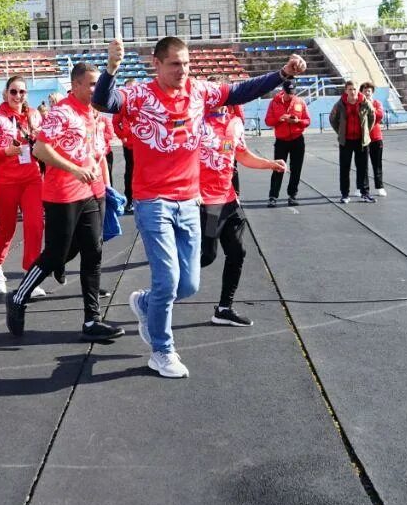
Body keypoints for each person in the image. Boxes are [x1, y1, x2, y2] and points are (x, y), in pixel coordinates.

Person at [93, 36, 306, 379]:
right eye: (175, 64)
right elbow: (104, 101)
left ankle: (146, 304)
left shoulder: (200, 92)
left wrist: (281, 73)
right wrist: (111, 69)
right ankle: (162, 351)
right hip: (153, 201)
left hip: (191, 200)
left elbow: (241, 91)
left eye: (187, 63)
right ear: (157, 64)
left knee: (188, 285)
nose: (182, 70)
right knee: (167, 279)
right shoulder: (140, 96)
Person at [7, 62, 123, 342]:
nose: (98, 89)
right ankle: (18, 298)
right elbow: (40, 149)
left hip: (92, 192)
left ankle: (92, 320)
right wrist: (75, 169)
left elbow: (97, 152)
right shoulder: (62, 113)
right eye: (93, 84)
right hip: (63, 194)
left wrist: (104, 184)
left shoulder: (95, 112)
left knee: (93, 253)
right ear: (77, 85)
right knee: (57, 254)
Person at [199, 104, 286, 327]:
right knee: (206, 257)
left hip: (229, 201)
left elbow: (243, 155)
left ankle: (224, 308)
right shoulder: (196, 123)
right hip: (207, 205)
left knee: (238, 252)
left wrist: (270, 164)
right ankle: (157, 295)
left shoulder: (233, 124)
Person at [0, 75, 44, 295]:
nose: (18, 96)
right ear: (5, 94)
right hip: (5, 181)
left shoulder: (35, 115)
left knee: (35, 225)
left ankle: (30, 274)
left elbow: (44, 143)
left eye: (22, 92)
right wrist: (6, 152)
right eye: (13, 92)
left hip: (32, 178)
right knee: (7, 228)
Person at [264, 79, 311, 207]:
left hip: (297, 139)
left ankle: (292, 195)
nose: (291, 95)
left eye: (293, 92)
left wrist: (298, 121)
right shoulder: (274, 103)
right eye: (289, 92)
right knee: (278, 168)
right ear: (283, 91)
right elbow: (268, 121)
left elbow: (307, 120)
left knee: (296, 169)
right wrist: (279, 119)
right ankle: (273, 196)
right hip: (281, 141)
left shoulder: (300, 102)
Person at [329, 80, 376, 204]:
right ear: (346, 91)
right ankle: (345, 194)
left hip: (361, 141)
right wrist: (340, 132)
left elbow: (372, 117)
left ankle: (365, 193)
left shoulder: (365, 103)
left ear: (357, 90)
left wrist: (366, 131)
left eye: (354, 89)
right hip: (346, 141)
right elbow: (333, 119)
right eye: (350, 89)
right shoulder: (340, 104)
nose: (352, 91)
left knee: (363, 168)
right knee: (344, 168)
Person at [361, 82, 387, 197]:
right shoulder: (359, 104)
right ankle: (361, 188)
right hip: (363, 138)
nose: (367, 93)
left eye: (369, 91)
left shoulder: (377, 103)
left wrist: (370, 108)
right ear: (361, 92)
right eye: (365, 91)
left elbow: (379, 116)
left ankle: (380, 187)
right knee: (362, 164)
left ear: (372, 92)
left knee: (377, 164)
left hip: (376, 137)